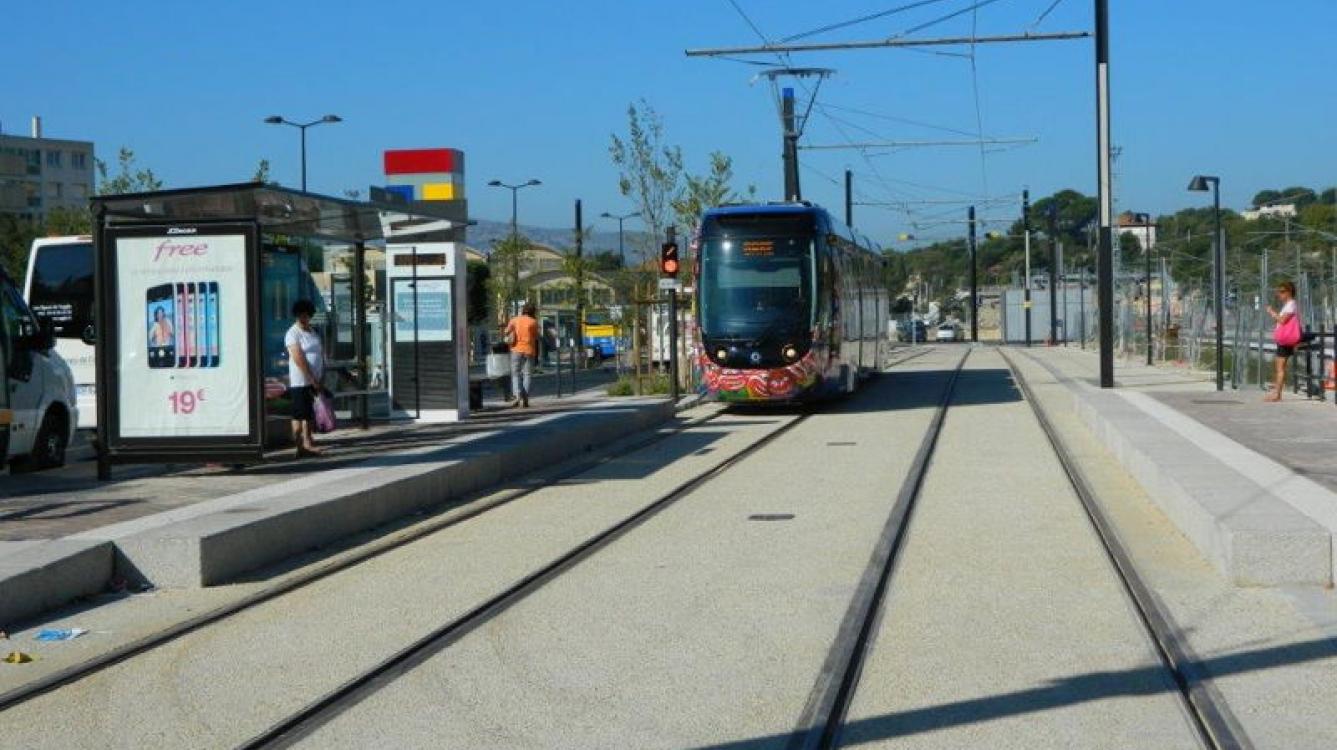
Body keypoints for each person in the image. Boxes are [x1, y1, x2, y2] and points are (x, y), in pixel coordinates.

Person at [285, 299, 326, 456]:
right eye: (301, 315)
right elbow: (298, 357)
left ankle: (308, 442)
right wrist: (311, 377)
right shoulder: (292, 333)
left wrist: (321, 376)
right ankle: (300, 446)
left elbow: (321, 354)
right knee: (300, 413)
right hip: (300, 380)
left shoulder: (313, 332)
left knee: (309, 413)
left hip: (315, 379)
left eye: (307, 315)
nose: (304, 318)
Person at [1265, 280, 1299, 402]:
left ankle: (1277, 395)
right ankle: (1276, 393)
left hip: (1286, 339)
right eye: (1279, 292)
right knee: (1278, 367)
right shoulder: (1288, 305)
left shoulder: (1291, 304)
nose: (1280, 294)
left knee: (1280, 368)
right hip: (1283, 339)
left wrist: (1271, 312)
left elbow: (1283, 320)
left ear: (1289, 292)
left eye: (1282, 292)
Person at [505, 303, 540, 407]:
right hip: (529, 350)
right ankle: (525, 397)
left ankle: (517, 395)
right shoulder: (533, 322)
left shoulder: (515, 320)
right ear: (533, 312)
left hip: (516, 349)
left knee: (515, 373)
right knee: (527, 374)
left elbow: (507, 331)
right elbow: (537, 337)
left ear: (523, 310)